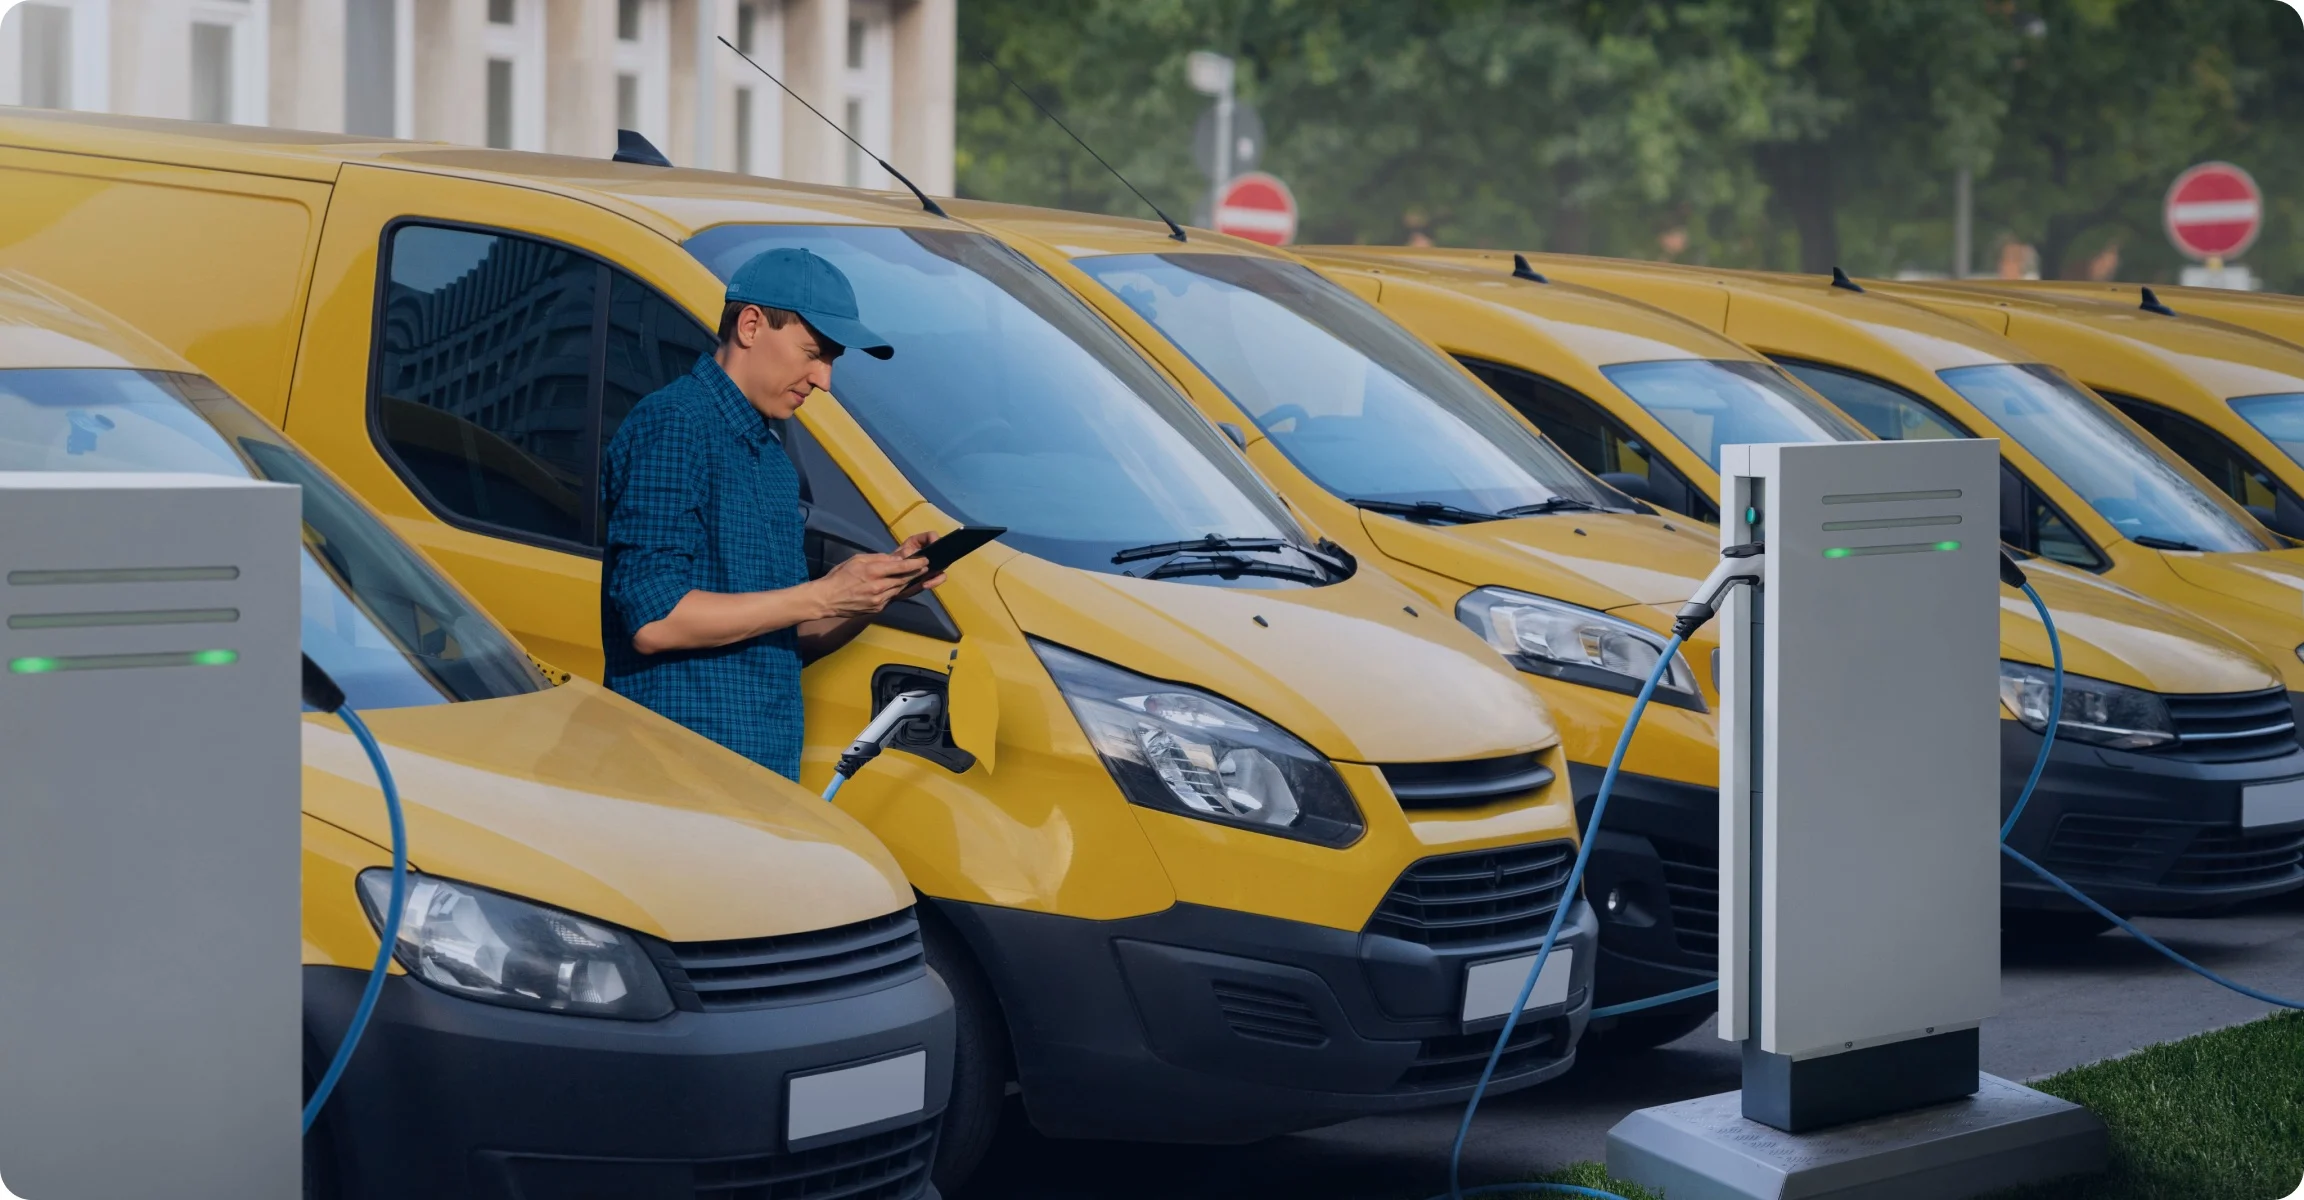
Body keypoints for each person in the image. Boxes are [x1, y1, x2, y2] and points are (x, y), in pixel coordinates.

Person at [601, 247, 940, 780]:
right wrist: (822, 593)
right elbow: (654, 619)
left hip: (761, 779)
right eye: (813, 353)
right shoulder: (673, 423)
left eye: (831, 361)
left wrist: (873, 595)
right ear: (752, 325)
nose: (824, 379)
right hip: (676, 777)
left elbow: (785, 638)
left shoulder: (773, 461)